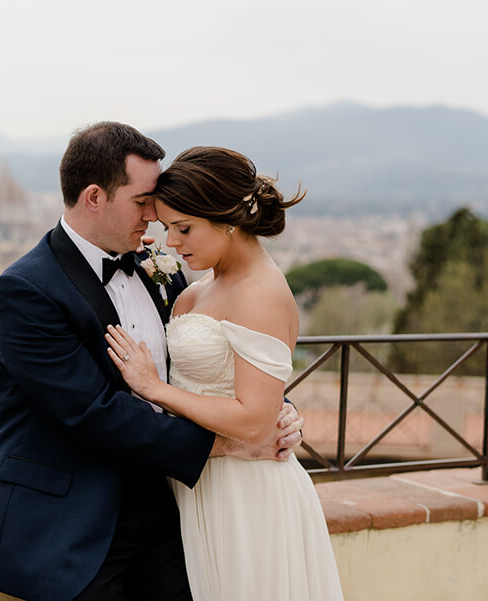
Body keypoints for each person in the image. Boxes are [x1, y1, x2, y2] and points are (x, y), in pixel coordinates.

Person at [0, 123, 304, 601]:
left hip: (171, 509)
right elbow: (94, 413)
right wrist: (230, 444)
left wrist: (274, 406)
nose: (155, 215)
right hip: (70, 524)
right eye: (141, 201)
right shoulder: (26, 290)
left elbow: (212, 353)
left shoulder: (162, 268)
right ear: (94, 197)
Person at [105, 146, 344, 600]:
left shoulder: (261, 292)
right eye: (168, 228)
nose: (172, 242)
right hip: (197, 482)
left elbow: (255, 421)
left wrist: (155, 389)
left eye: (184, 228)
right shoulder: (203, 288)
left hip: (247, 492)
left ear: (227, 220)